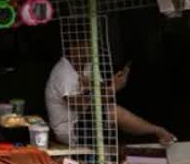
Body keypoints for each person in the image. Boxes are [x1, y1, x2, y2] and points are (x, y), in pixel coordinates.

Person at [45, 44, 176, 146]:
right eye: (87, 46)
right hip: (69, 129)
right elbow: (81, 106)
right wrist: (112, 89)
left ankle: (155, 133)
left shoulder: (87, 65)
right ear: (74, 48)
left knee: (110, 112)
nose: (91, 49)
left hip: (86, 121)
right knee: (112, 111)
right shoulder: (63, 73)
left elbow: (100, 92)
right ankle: (157, 131)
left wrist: (111, 85)